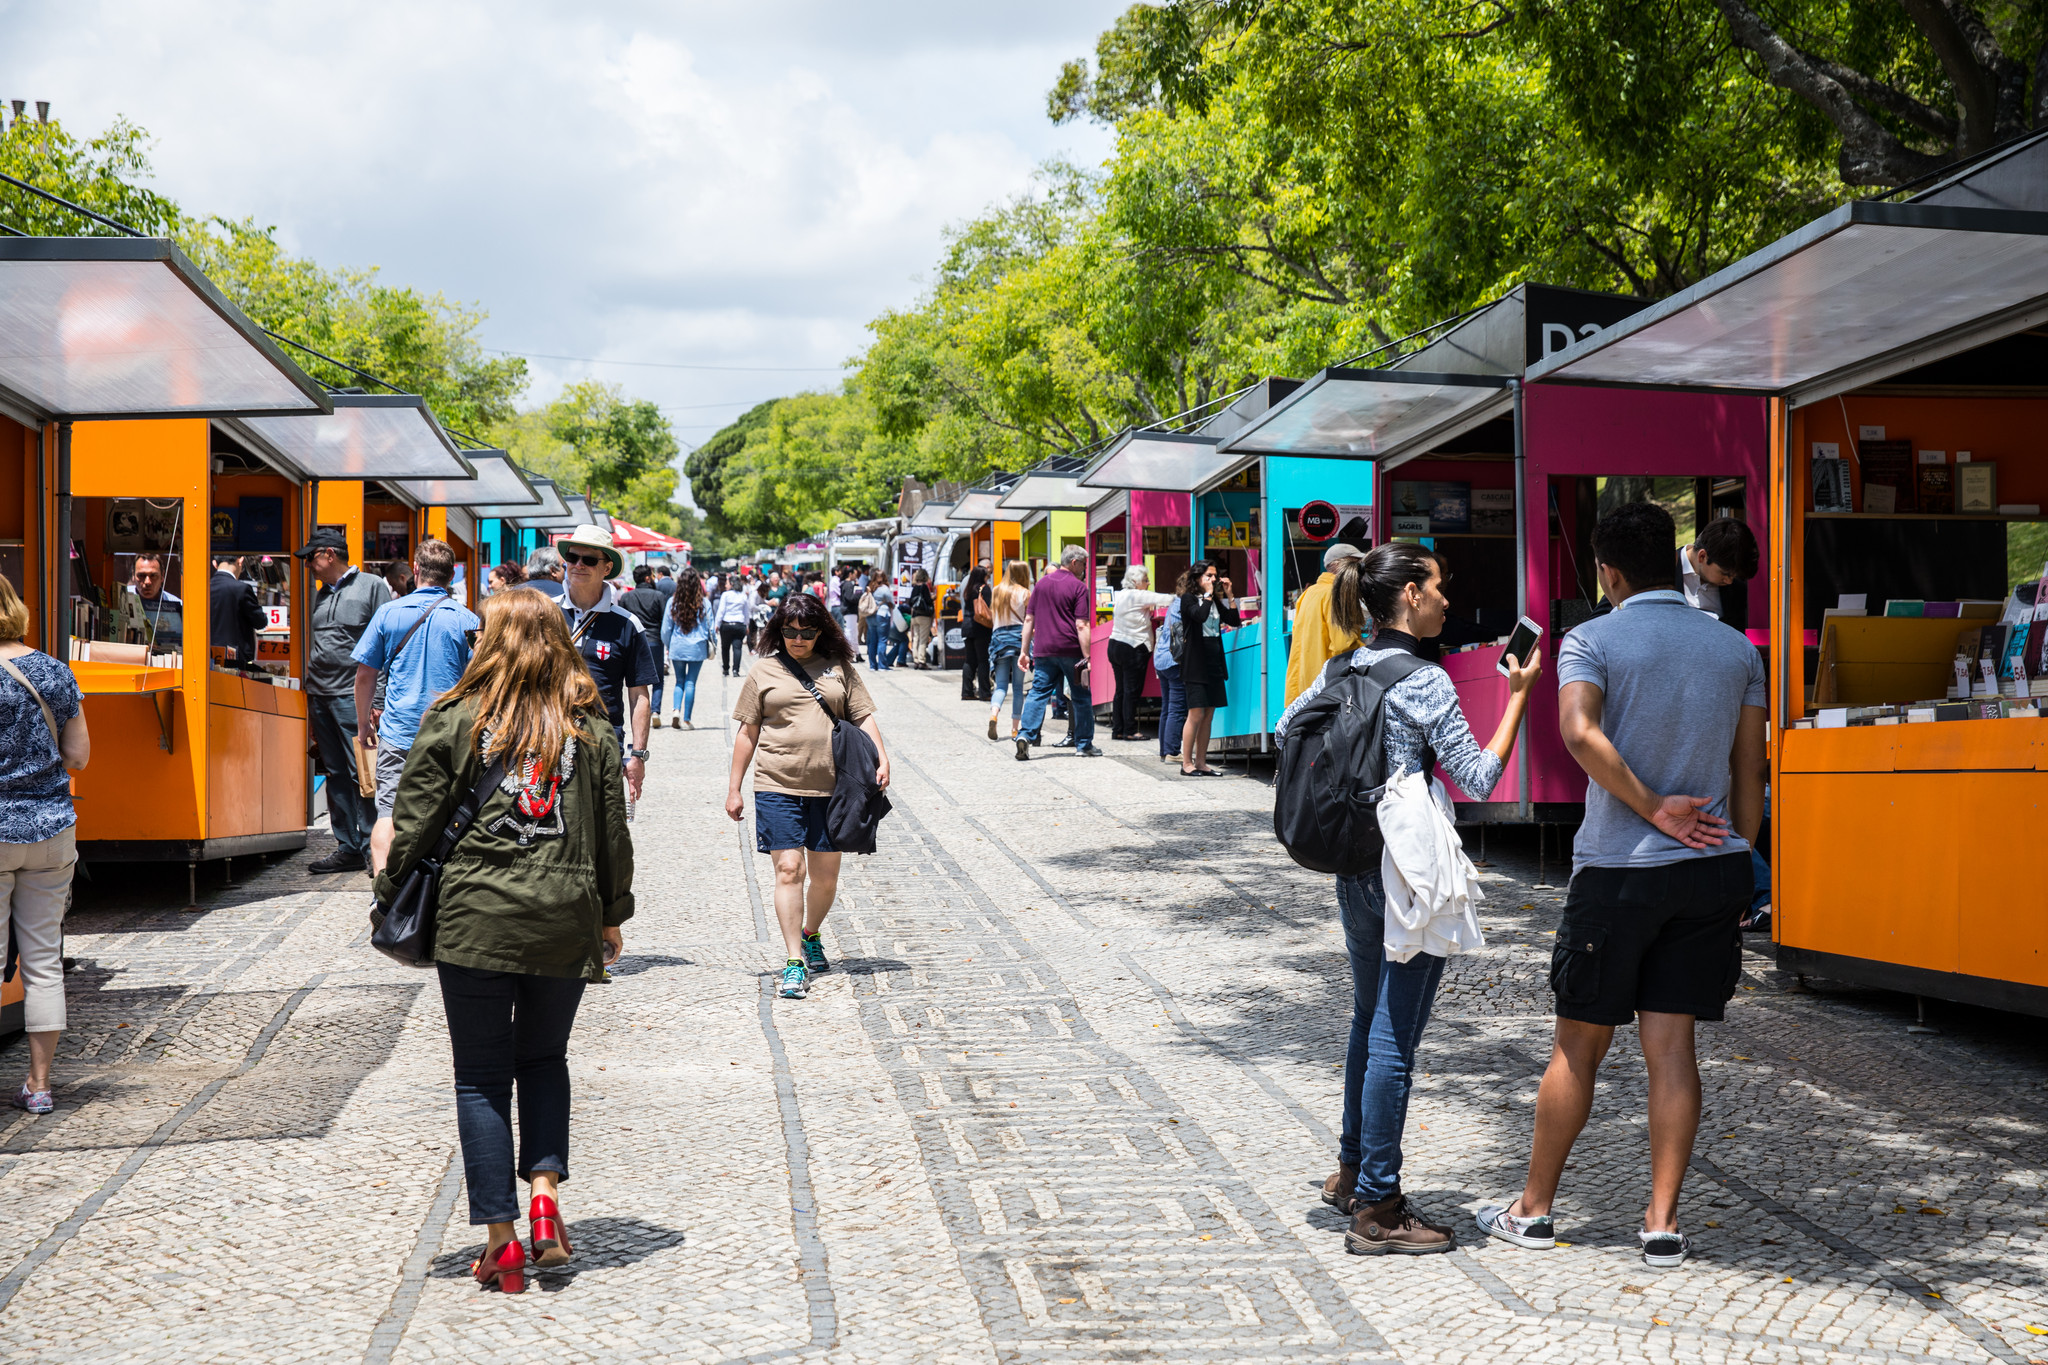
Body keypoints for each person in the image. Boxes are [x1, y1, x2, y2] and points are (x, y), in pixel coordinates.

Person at [1478, 500, 1765, 1271]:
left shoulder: (1592, 639)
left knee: (1578, 1048)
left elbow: (1578, 731)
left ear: (1607, 572)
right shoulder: (1735, 649)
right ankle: (1663, 1223)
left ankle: (1533, 1209)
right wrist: (1740, 856)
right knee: (1673, 1050)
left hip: (1618, 872)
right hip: (1712, 871)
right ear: (1673, 556)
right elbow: (1749, 774)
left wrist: (1651, 809)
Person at [1276, 543, 1542, 1256]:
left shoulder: (1343, 666)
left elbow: (1286, 728)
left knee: (1369, 1018)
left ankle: (1351, 1172)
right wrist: (1517, 696)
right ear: (1410, 598)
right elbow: (1480, 777)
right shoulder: (1425, 680)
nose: (1446, 600)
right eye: (1438, 586)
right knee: (1396, 1035)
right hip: (1409, 870)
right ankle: (1379, 1206)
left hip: (1355, 865)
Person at [376, 588, 634, 1295]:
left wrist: (386, 893)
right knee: (545, 1057)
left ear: (488, 643)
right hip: (563, 917)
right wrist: (612, 913)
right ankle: (546, 1200)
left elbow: (416, 823)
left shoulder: (455, 718)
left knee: (481, 1076)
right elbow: (614, 830)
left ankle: (502, 1240)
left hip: (474, 921)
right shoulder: (590, 727)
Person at [725, 591, 890, 1001]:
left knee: (825, 878)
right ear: (778, 631)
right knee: (789, 870)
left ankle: (810, 932)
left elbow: (863, 716)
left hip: (833, 787)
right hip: (776, 784)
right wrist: (734, 787)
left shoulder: (839, 668)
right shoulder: (763, 671)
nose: (798, 639)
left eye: (807, 632)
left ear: (821, 631)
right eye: (790, 631)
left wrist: (882, 759)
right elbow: (747, 732)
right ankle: (795, 962)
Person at [0, 573, 90, 1116]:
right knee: (42, 965)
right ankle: (39, 1087)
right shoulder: (53, 671)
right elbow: (78, 757)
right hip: (51, 829)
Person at [352, 538, 480, 875]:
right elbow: (478, 682)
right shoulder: (467, 620)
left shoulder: (388, 613)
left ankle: (383, 896)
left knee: (388, 815)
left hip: (397, 734)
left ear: (417, 569)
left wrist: (363, 723)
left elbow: (365, 675)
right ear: (451, 575)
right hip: (448, 737)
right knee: (446, 815)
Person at [297, 526, 392, 874]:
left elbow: (386, 643)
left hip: (353, 697)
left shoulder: (372, 586)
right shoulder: (320, 594)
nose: (308, 563)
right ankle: (347, 847)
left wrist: (377, 698)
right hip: (320, 695)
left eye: (311, 557)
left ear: (329, 555)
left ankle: (372, 848)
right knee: (336, 771)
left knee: (362, 772)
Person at [555, 525, 656, 804]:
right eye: (573, 557)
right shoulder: (544, 614)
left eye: (589, 560)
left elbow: (639, 696)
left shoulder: (627, 624)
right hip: (547, 738)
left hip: (602, 742)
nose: (578, 565)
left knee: (599, 831)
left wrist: (637, 754)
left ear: (607, 567)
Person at [1015, 545, 1101, 760]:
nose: (1084, 568)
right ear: (1074, 563)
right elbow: (1081, 625)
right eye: (1083, 564)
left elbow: (1028, 620)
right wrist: (1087, 657)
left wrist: (1024, 651)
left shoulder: (1041, 585)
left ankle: (1025, 735)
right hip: (1071, 650)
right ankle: (1083, 745)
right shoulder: (1078, 587)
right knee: (1081, 696)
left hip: (1043, 651)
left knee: (1037, 692)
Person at [1174, 560, 1241, 776]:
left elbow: (1234, 620)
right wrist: (1209, 594)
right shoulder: (1188, 599)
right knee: (1195, 713)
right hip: (1195, 663)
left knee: (1209, 714)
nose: (1213, 579)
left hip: (1213, 661)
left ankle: (1201, 762)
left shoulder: (1214, 601)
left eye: (1215, 576)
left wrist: (1230, 595)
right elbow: (1199, 616)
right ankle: (1186, 763)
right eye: (1209, 576)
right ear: (1197, 578)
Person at [1284, 541, 1366, 703]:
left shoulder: (1309, 593)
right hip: (1329, 688)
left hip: (1305, 688)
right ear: (1342, 565)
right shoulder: (1338, 594)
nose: (1360, 572)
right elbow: (1344, 645)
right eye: (1357, 565)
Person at [1107, 565, 1174, 741]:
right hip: (1133, 646)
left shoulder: (1121, 595)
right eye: (1145, 580)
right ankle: (1130, 730)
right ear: (1136, 582)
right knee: (1132, 690)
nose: (1148, 583)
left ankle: (1118, 729)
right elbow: (1168, 599)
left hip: (1115, 644)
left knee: (1120, 690)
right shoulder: (1139, 595)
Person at [1680, 516, 1759, 626]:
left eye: (1733, 576)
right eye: (1725, 574)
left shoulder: (1737, 589)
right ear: (1702, 556)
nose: (1729, 581)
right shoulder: (1664, 571)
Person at [660, 568, 712, 729]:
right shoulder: (704, 602)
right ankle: (687, 719)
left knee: (679, 681)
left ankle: (676, 710)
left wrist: (668, 644)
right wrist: (713, 643)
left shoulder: (673, 601)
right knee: (691, 683)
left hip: (677, 645)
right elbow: (711, 626)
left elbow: (666, 629)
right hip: (697, 647)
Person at [618, 566, 671, 723]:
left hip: (632, 642)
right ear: (648, 578)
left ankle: (636, 712)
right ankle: (655, 711)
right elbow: (664, 620)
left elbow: (621, 621)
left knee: (633, 680)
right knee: (658, 679)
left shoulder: (627, 597)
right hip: (654, 640)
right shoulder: (659, 596)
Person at [987, 561, 1031, 741]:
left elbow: (993, 617)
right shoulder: (1025, 593)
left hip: (999, 640)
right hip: (1018, 641)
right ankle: (1015, 729)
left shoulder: (996, 591)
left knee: (1001, 686)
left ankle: (994, 714)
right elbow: (1029, 620)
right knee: (1019, 688)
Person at [208, 552, 265, 669]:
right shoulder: (242, 589)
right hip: (236, 663)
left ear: (214, 564)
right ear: (240, 561)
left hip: (207, 659)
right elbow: (260, 622)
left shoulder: (204, 587)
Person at [1152, 594, 1186, 765]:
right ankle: (1172, 751)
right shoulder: (1185, 605)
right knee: (1177, 708)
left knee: (1167, 707)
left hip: (1161, 658)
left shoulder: (1174, 603)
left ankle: (1164, 751)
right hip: (1174, 660)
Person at [125, 553, 183, 650]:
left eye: (153, 575)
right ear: (133, 576)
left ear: (162, 576)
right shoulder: (122, 597)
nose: (147, 582)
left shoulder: (177, 605)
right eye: (141, 575)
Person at [957, 564, 993, 703]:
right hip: (981, 627)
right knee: (983, 660)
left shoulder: (968, 589)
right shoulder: (984, 589)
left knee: (969, 661)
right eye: (986, 575)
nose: (987, 578)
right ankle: (984, 692)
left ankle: (967, 691)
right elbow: (988, 607)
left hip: (967, 626)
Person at [714, 575, 752, 676]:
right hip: (739, 624)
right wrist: (747, 625)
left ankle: (726, 668)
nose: (726, 585)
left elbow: (721, 611)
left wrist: (716, 624)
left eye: (727, 583)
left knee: (725, 647)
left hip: (726, 624)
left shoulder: (726, 595)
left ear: (731, 584)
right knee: (737, 648)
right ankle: (736, 670)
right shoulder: (743, 595)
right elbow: (746, 613)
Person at [864, 571, 896, 673]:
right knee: (882, 640)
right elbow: (892, 603)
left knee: (872, 641)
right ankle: (882, 665)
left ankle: (873, 665)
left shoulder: (870, 588)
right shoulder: (885, 589)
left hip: (870, 616)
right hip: (882, 615)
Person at [906, 569, 936, 669]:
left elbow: (910, 602)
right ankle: (922, 661)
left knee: (916, 638)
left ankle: (915, 661)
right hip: (924, 616)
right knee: (923, 640)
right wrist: (933, 597)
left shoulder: (914, 587)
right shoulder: (924, 587)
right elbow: (928, 600)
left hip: (915, 616)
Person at [837, 567, 865, 659]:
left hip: (849, 610)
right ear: (850, 574)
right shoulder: (848, 584)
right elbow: (851, 598)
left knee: (853, 631)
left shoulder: (845, 584)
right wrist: (859, 593)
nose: (856, 577)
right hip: (850, 610)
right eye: (855, 574)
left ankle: (856, 653)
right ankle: (850, 653)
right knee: (850, 632)